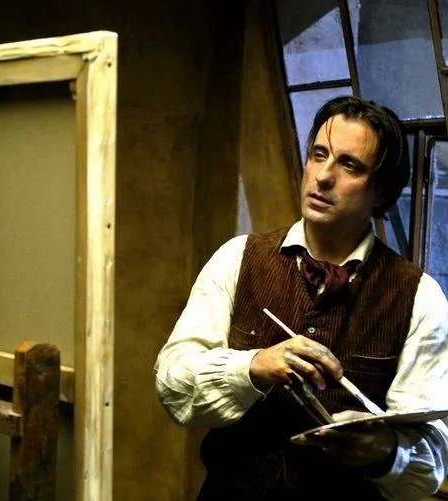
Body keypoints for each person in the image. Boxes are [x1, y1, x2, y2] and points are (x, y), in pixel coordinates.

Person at [154, 95, 448, 500]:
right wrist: (254, 366)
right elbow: (172, 385)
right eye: (318, 154)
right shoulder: (238, 257)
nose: (323, 176)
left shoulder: (419, 296)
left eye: (349, 165)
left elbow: (430, 463)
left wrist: (384, 451)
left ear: (381, 191)